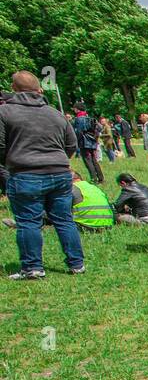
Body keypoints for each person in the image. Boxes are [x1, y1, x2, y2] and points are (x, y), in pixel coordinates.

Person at [0, 70, 85, 279]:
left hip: (25, 173)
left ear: (14, 89)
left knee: (29, 221)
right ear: (38, 89)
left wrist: (11, 161)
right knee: (64, 220)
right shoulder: (54, 113)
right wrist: (57, 159)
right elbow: (71, 144)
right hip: (60, 172)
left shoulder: (5, 112)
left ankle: (33, 267)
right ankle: (77, 263)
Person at [72, 103, 104, 184]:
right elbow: (100, 128)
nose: (74, 110)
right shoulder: (90, 118)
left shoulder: (78, 119)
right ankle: (101, 178)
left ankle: (94, 179)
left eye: (74, 108)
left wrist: (76, 141)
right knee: (94, 160)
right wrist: (94, 135)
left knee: (87, 161)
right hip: (92, 141)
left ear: (77, 109)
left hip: (84, 142)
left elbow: (78, 132)